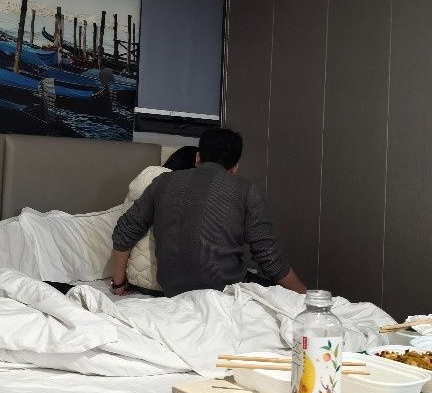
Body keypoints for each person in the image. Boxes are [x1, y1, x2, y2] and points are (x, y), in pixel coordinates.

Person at [111, 127, 307, 297]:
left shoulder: (162, 182)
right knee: (280, 293)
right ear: (235, 167)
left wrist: (118, 284)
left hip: (173, 291)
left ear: (198, 157)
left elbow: (124, 231)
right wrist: (305, 298)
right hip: (225, 291)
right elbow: (269, 258)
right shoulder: (246, 190)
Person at [120, 144, 198, 293]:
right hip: (166, 284)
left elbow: (124, 234)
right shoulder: (177, 190)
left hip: (136, 279)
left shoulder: (145, 181)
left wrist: (118, 282)